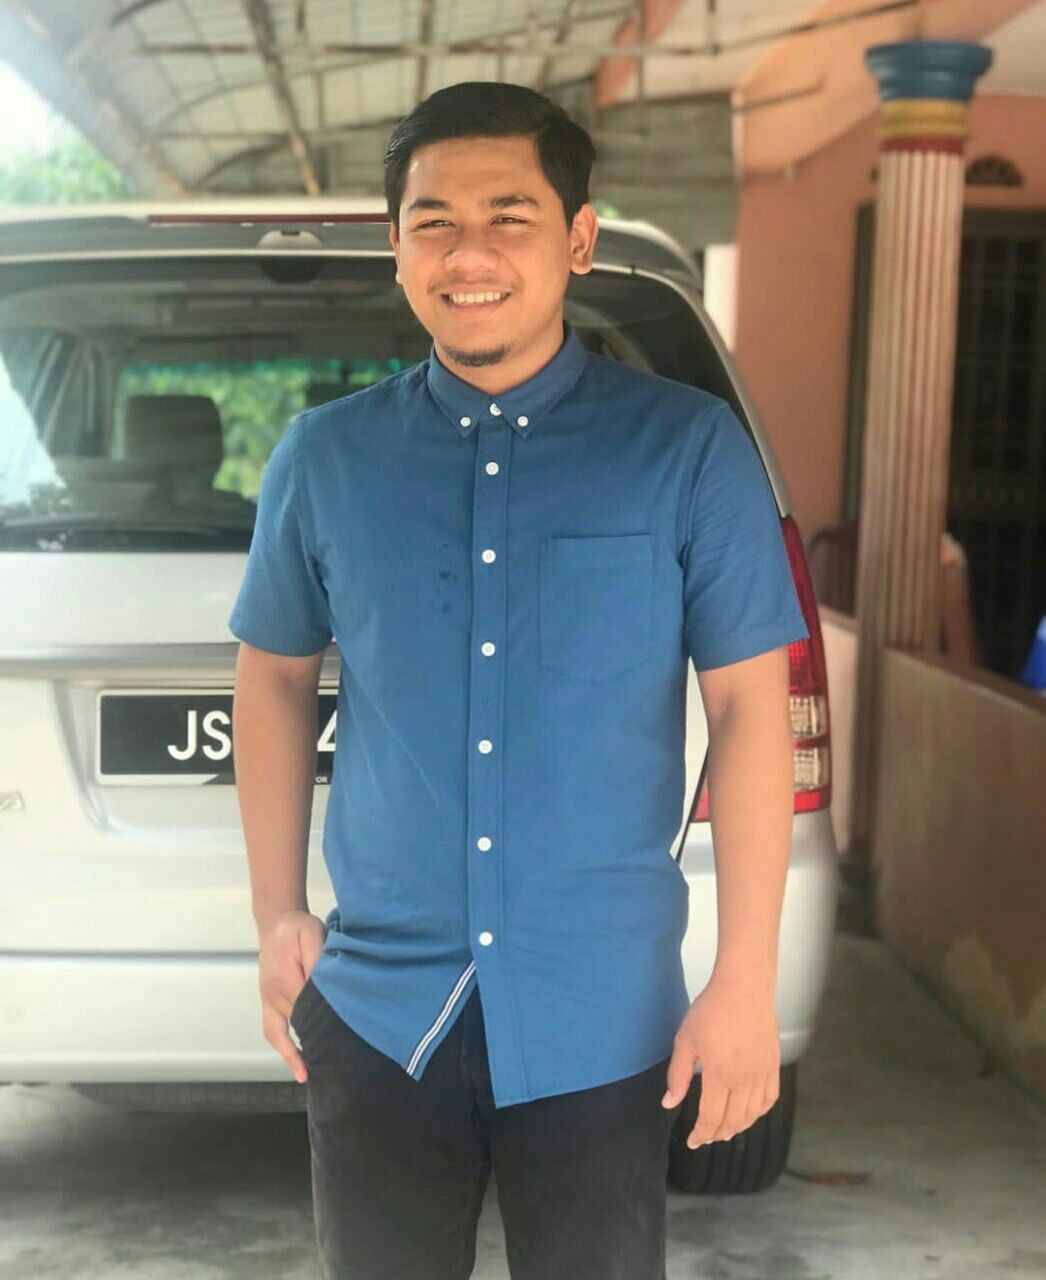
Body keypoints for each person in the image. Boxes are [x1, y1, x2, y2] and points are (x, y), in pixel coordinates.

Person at [228, 80, 810, 1280]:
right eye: (433, 221)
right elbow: (275, 677)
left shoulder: (685, 450)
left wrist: (743, 980)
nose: (469, 253)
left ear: (577, 239)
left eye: (509, 215)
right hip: (380, 1008)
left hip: (603, 1013)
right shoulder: (324, 459)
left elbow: (750, 706)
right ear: (397, 247)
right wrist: (276, 910)